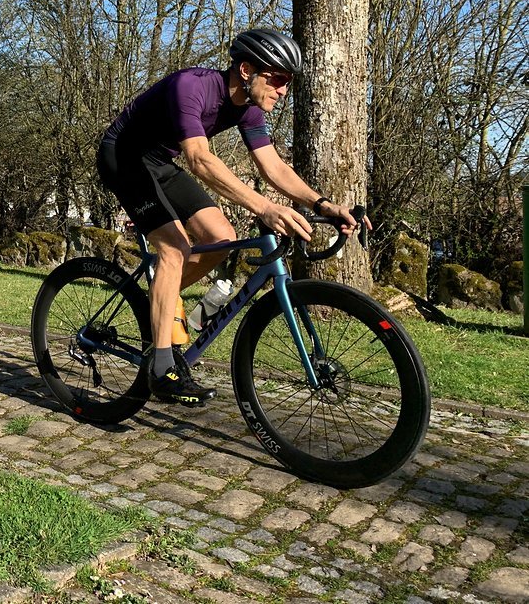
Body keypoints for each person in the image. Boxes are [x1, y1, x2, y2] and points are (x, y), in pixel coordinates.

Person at [97, 28, 366, 405]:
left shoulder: (251, 108)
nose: (284, 90)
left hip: (159, 162)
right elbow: (199, 159)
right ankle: (160, 370)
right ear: (246, 69)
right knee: (174, 249)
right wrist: (264, 207)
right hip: (122, 157)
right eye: (278, 79)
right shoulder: (192, 86)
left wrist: (322, 204)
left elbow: (273, 166)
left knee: (220, 239)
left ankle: (160, 302)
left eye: (287, 82)